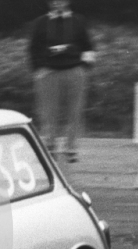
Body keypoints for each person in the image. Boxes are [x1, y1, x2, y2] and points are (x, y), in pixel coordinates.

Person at [28, 0, 95, 163]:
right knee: (48, 112)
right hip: (48, 73)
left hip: (74, 71)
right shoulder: (40, 22)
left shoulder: (78, 20)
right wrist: (38, 70)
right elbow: (32, 49)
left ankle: (71, 149)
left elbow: (88, 46)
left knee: (75, 111)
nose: (57, 3)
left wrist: (85, 67)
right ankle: (50, 147)